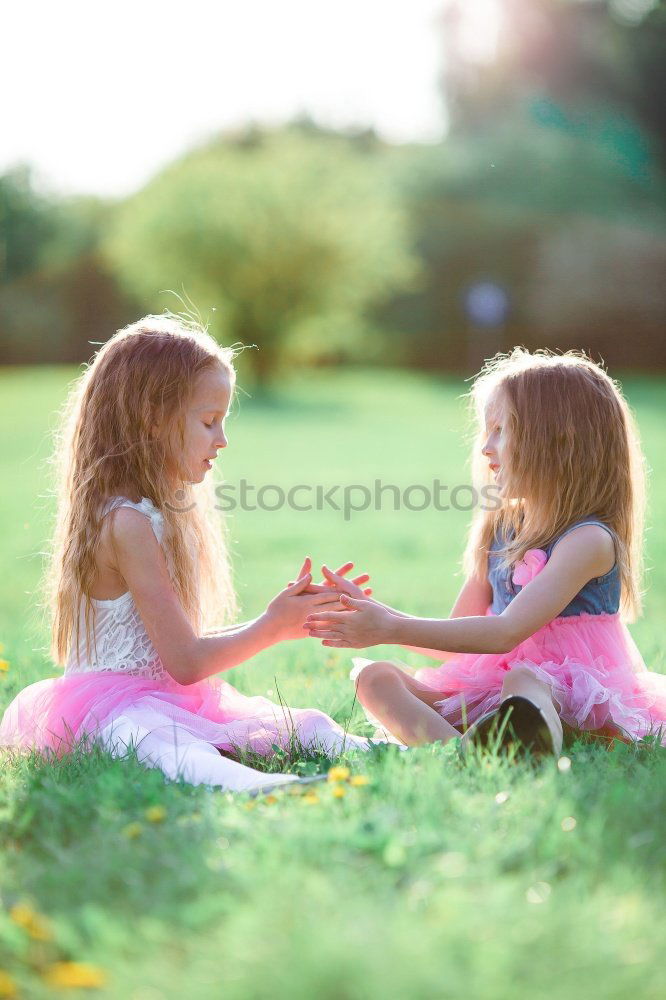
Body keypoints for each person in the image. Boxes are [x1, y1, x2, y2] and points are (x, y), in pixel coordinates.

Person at [0, 315, 371, 792]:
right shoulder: (126, 522)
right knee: (153, 738)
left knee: (309, 722)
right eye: (209, 422)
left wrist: (283, 620)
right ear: (154, 420)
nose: (222, 440)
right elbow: (187, 663)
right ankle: (253, 784)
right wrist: (270, 627)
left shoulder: (153, 512)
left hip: (162, 697)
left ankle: (404, 751)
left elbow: (174, 650)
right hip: (110, 710)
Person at [306, 349, 666, 755]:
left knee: (526, 681)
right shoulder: (501, 527)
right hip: (490, 689)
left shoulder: (588, 540)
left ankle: (530, 735)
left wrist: (389, 626)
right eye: (485, 431)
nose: (485, 448)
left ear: (557, 439)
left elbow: (506, 632)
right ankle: (466, 753)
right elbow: (451, 639)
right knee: (374, 678)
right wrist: (377, 617)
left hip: (574, 696)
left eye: (500, 430)